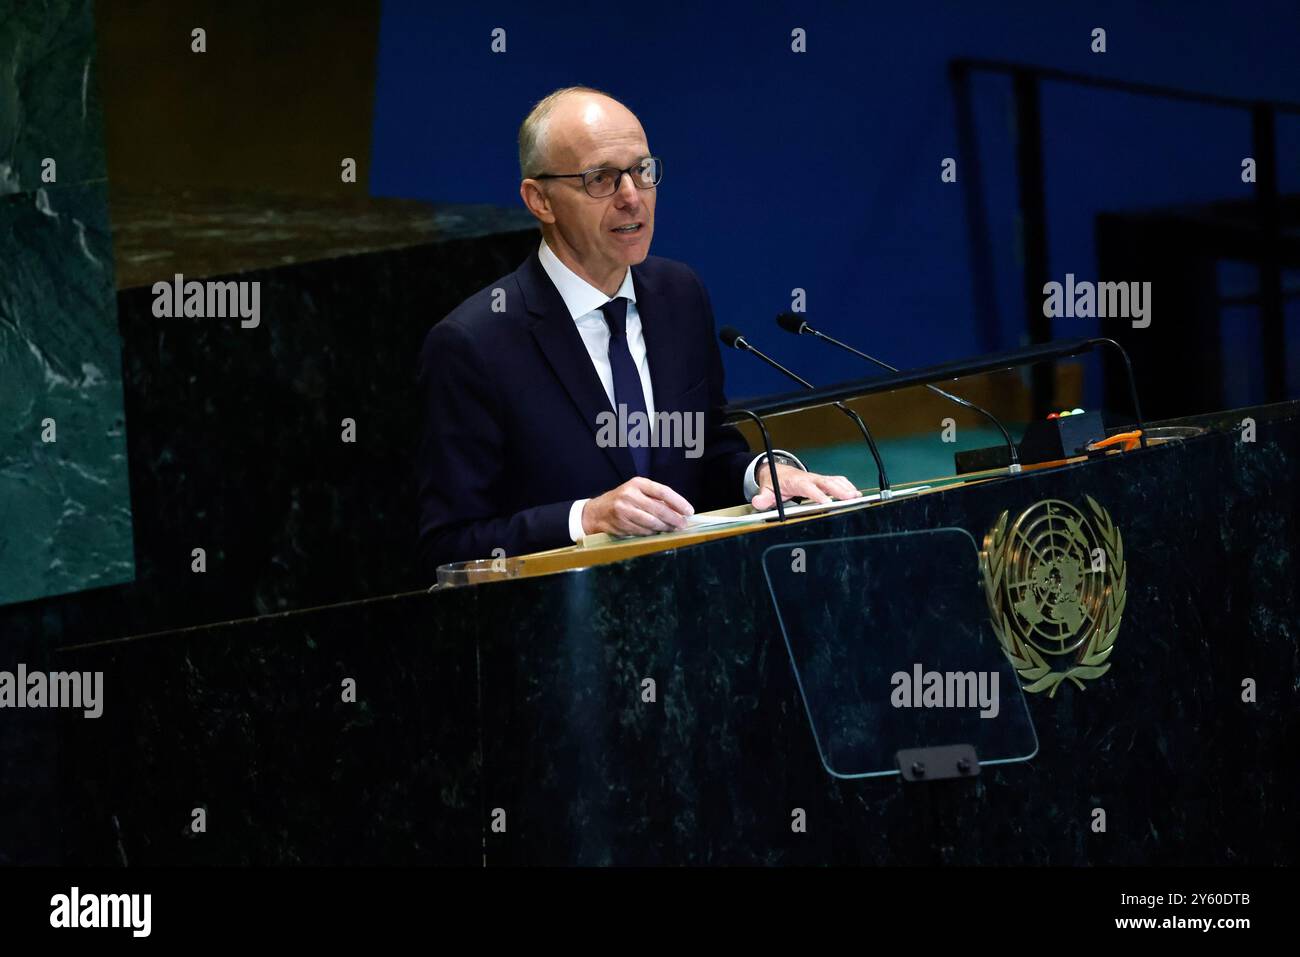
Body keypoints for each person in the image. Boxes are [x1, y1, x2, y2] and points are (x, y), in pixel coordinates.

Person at [416, 86, 856, 571]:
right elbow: (450, 545)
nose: (631, 198)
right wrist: (587, 518)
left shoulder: (679, 294)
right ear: (539, 200)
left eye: (642, 171)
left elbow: (702, 450)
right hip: (560, 626)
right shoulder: (475, 343)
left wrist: (763, 475)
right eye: (600, 178)